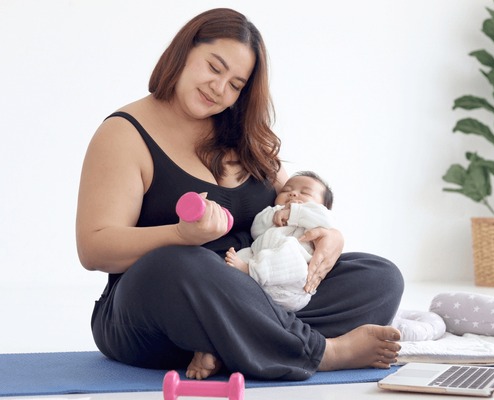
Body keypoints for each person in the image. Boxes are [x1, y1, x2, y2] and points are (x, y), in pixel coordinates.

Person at [76, 8, 404, 381]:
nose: (219, 89)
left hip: (254, 287)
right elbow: (94, 249)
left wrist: (332, 236)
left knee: (379, 277)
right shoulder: (124, 134)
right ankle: (323, 351)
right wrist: (180, 236)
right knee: (179, 263)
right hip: (158, 307)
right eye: (214, 68)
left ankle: (227, 345)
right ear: (183, 52)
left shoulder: (244, 135)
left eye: (235, 85)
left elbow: (295, 203)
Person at [225, 171, 336, 312]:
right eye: (286, 190)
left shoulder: (316, 214)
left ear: (323, 205)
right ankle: (241, 276)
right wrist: (275, 215)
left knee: (289, 248)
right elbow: (256, 230)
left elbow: (327, 220)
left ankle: (250, 270)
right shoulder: (273, 211)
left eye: (305, 193)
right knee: (245, 253)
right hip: (264, 281)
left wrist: (294, 213)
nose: (293, 194)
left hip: (293, 283)